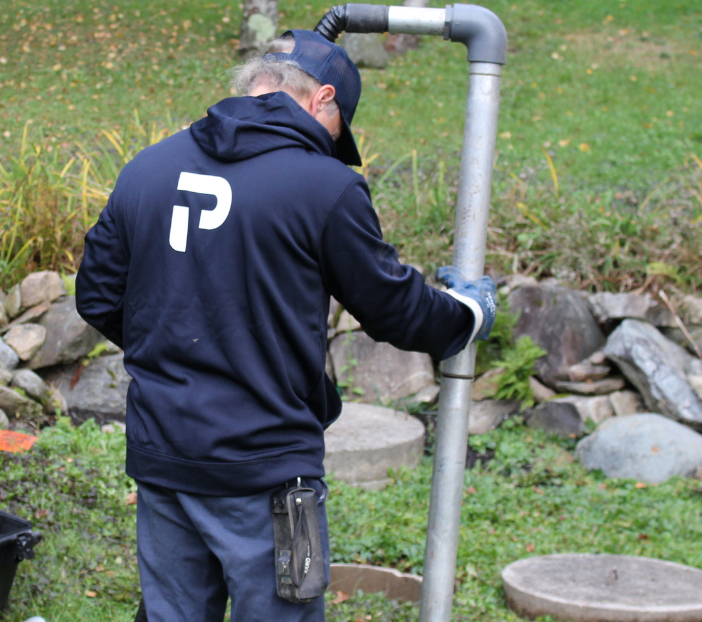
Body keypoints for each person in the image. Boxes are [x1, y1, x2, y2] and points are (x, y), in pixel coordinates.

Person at [75, 30, 497, 622]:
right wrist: (471, 311)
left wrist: (175, 344)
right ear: (322, 98)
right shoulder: (326, 188)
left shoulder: (149, 167)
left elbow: (96, 297)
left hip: (163, 452)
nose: (331, 145)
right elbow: (397, 309)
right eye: (336, 129)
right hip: (268, 470)